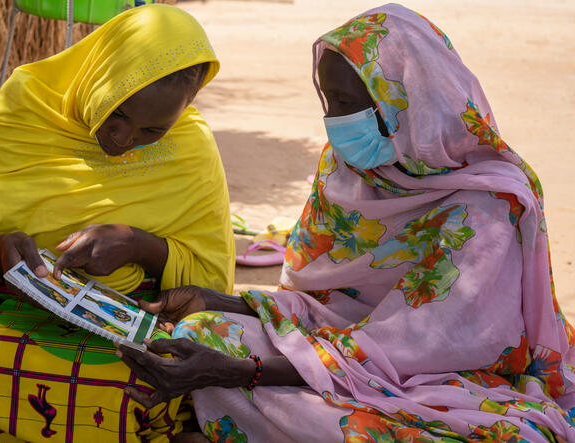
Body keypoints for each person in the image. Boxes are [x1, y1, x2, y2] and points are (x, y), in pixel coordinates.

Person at [117, 4, 575, 442]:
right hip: (332, 354)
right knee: (200, 331)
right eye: (327, 99)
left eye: (346, 103)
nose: (333, 121)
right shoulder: (348, 171)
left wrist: (241, 372)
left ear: (406, 100)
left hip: (442, 379)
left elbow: (426, 348)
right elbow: (319, 302)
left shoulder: (488, 205)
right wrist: (217, 302)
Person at [0, 4, 234, 441]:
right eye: (116, 113)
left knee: (138, 386)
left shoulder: (190, 149)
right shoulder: (24, 114)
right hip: (8, 308)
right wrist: (0, 251)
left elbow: (209, 276)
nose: (123, 139)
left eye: (151, 132)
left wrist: (139, 245)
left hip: (131, 320)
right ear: (96, 77)